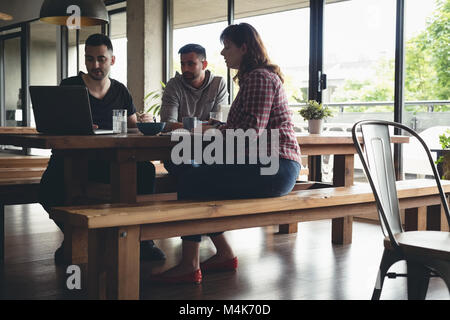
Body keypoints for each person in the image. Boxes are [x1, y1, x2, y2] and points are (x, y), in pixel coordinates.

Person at [149, 23, 302, 284]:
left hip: (273, 167)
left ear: (244, 48)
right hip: (268, 164)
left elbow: (250, 132)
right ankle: (224, 254)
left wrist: (209, 135)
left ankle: (190, 265)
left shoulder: (259, 78)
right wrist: (216, 128)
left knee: (191, 180)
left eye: (227, 47)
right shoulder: (257, 77)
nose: (223, 53)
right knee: (187, 170)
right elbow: (242, 130)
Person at [39, 33, 165, 264]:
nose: (95, 65)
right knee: (48, 189)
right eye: (89, 59)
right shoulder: (69, 86)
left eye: (101, 59)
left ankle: (142, 240)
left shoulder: (120, 91)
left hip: (109, 160)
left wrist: (144, 121)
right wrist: (78, 126)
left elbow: (133, 125)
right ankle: (75, 236)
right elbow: (53, 124)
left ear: (112, 60)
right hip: (70, 159)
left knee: (145, 170)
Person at [160, 43, 228, 131]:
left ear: (204, 65)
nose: (185, 69)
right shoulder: (174, 85)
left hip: (210, 141)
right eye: (182, 64)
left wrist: (185, 126)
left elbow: (218, 124)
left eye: (190, 64)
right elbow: (167, 124)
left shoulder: (218, 84)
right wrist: (202, 127)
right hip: (178, 141)